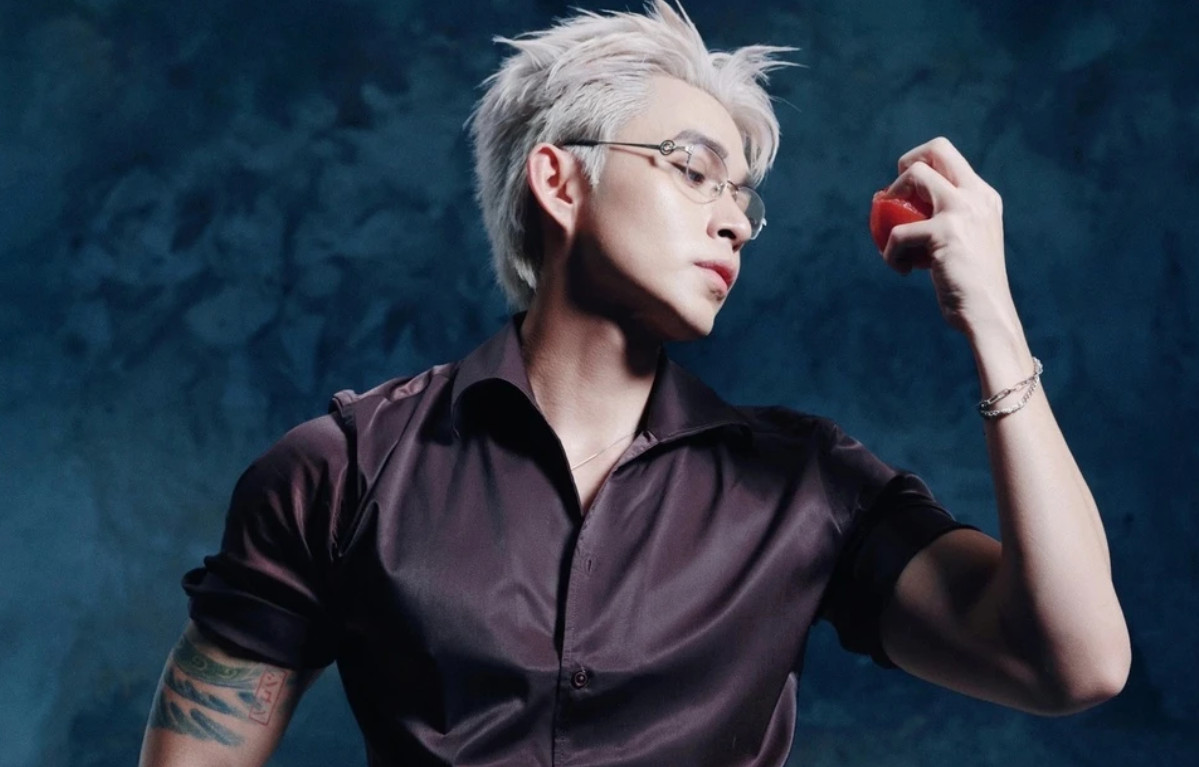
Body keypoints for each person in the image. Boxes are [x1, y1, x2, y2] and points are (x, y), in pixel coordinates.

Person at [138, 2, 1130, 765]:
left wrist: (992, 321)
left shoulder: (807, 486)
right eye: (693, 170)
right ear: (557, 181)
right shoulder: (340, 471)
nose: (733, 219)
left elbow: (1073, 662)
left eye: (742, 197)